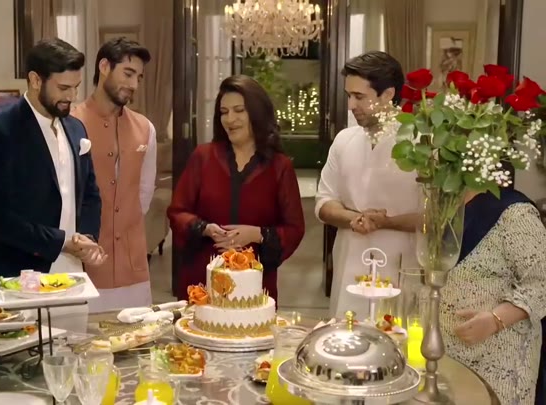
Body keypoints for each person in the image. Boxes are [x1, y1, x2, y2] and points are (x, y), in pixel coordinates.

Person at [0, 38, 105, 332]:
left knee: (73, 357)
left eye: (76, 87)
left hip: (72, 279)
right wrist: (59, 242)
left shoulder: (75, 128)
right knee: (18, 361)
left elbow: (90, 194)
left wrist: (87, 238)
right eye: (63, 88)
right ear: (34, 80)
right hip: (15, 281)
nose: (72, 96)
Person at [167, 75, 305, 303]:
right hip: (201, 282)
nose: (230, 119)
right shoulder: (203, 157)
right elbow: (177, 212)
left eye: (239, 110)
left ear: (257, 113)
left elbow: (294, 228)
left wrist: (256, 234)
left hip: (254, 286)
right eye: (224, 112)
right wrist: (205, 228)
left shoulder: (279, 167)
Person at [315, 51, 419, 317]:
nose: (351, 105)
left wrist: (386, 222)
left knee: (394, 335)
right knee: (345, 334)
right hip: (349, 260)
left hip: (400, 264)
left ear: (388, 94)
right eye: (349, 95)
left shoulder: (420, 143)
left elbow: (436, 217)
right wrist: (355, 218)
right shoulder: (344, 140)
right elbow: (324, 203)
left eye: (359, 97)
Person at [71, 38, 156, 312]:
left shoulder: (145, 128)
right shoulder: (70, 123)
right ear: (104, 67)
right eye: (128, 73)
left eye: (138, 77)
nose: (134, 85)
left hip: (133, 267)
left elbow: (144, 192)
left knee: (139, 335)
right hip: (83, 265)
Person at [440, 188, 546, 404]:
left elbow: (541, 281)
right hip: (453, 363)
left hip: (500, 369)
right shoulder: (448, 205)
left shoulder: (515, 213)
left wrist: (495, 320)